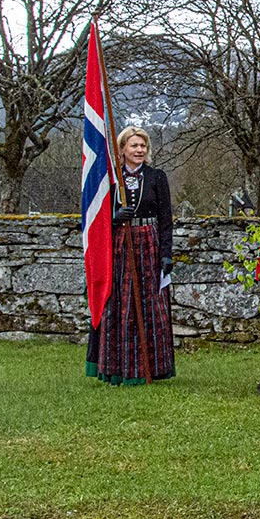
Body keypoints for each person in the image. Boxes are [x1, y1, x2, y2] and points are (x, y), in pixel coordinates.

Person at [86, 126, 176, 385]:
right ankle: (119, 366)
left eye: (143, 146)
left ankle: (153, 367)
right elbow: (98, 217)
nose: (139, 150)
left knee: (150, 306)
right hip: (120, 247)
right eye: (134, 146)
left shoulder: (157, 177)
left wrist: (166, 253)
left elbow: (165, 219)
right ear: (123, 149)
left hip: (149, 245)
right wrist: (114, 219)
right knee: (120, 305)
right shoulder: (111, 180)